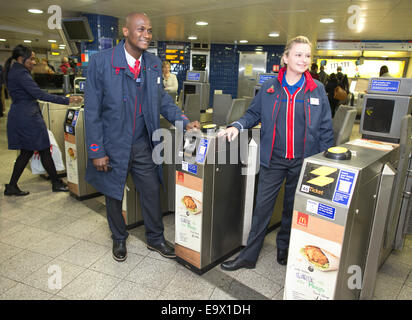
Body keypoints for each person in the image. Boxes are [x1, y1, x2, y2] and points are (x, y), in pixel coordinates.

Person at [84, 12, 200, 263]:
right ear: (126, 32)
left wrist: (183, 121)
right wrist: (96, 150)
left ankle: (155, 238)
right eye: (140, 30)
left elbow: (161, 101)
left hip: (142, 142)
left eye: (148, 30)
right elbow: (92, 110)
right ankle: (118, 237)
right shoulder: (102, 63)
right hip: (112, 144)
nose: (146, 34)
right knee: (114, 193)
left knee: (150, 190)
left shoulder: (153, 63)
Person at [219, 36, 334, 271]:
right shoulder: (271, 88)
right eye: (298, 54)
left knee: (293, 208)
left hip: (303, 161)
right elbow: (253, 114)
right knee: (262, 208)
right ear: (286, 57)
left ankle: (285, 247)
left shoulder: (316, 89)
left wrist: (322, 163)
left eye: (308, 56)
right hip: (274, 158)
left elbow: (325, 129)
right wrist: (237, 126)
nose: (304, 60)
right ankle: (248, 257)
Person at [3, 45, 83, 196]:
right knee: (42, 148)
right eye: (31, 59)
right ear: (21, 59)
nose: (34, 62)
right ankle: (55, 182)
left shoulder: (15, 71)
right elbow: (39, 94)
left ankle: (13, 185)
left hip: (22, 115)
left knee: (29, 151)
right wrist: (68, 100)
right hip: (28, 117)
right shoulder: (21, 73)